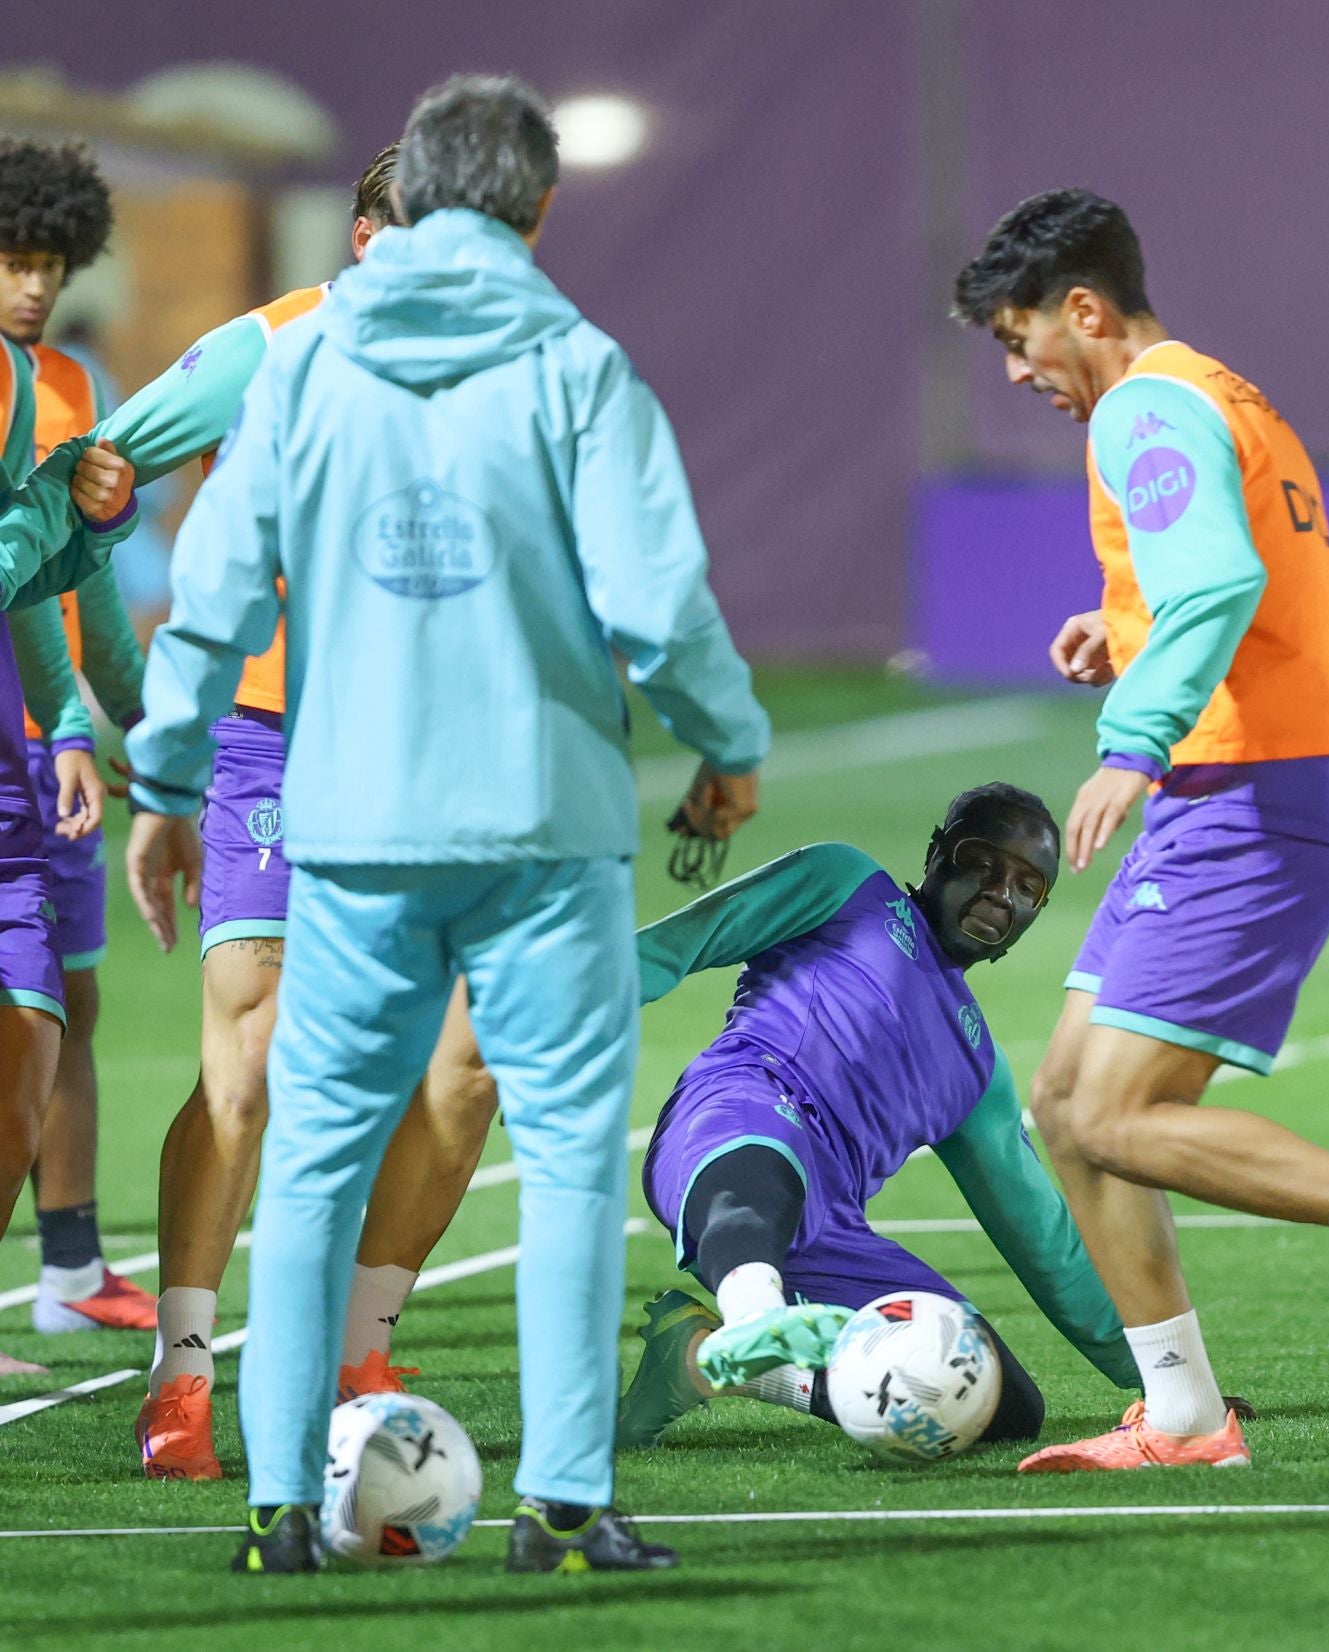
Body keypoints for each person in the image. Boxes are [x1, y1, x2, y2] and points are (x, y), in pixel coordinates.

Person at [124, 74, 767, 1574]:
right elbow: (659, 600)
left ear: (404, 202)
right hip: (543, 825)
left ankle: (280, 1506)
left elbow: (209, 587)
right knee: (559, 1158)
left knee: (311, 1158)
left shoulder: (305, 361)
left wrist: (163, 780)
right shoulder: (578, 365)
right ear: (538, 207)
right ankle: (562, 1504)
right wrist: (726, 744)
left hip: (348, 816)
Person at [954, 189, 1329, 1473]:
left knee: (1116, 1113)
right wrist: (1135, 632)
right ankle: (1186, 1415)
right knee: (1064, 1102)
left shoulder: (1145, 407)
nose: (1017, 368)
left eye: (1019, 333)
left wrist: (1132, 738)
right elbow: (1282, 587)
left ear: (1083, 309)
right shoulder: (1230, 394)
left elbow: (1217, 577)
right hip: (1251, 782)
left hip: (1246, 794)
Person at [27, 143, 498, 1481]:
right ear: (363, 240)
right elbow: (90, 474)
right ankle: (182, 1377)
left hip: (446, 755)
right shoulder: (269, 346)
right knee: (259, 1058)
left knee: (468, 1066)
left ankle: (360, 1350)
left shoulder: (519, 365)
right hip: (275, 739)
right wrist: (97, 654)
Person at [616, 786, 1139, 1452]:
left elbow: (1045, 1241)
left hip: (831, 1227)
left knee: (994, 1403)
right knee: (767, 1172)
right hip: (736, 1115)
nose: (1002, 892)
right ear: (937, 855)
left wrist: (1156, 1374)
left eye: (1028, 886)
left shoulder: (978, 1068)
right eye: (985, 862)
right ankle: (754, 1316)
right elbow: (680, 943)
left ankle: (708, 1360)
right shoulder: (844, 882)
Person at [0, 139, 160, 1343]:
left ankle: (67, 1261)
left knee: (62, 1011)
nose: (34, 282)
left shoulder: (58, 386)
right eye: (13, 258)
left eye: (49, 260)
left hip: (33, 753)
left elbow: (61, 581)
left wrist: (124, 721)